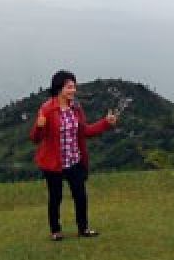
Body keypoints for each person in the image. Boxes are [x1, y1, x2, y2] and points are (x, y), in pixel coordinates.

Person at [29, 70, 117, 241]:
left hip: (74, 160)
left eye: (74, 87)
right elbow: (35, 139)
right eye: (69, 87)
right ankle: (55, 231)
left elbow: (85, 131)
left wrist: (106, 123)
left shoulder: (75, 108)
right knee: (56, 197)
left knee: (80, 196)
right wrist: (39, 126)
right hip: (53, 163)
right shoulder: (47, 109)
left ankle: (83, 228)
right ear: (59, 88)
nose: (73, 90)